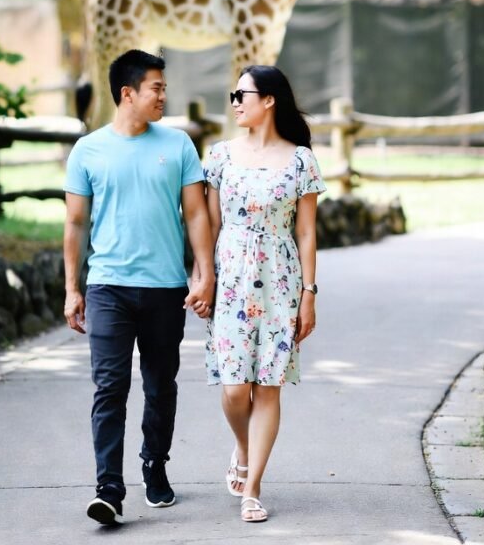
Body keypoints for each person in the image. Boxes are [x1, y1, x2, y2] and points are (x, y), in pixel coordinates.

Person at [63, 49, 214, 526]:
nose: (164, 96)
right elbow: (74, 223)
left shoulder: (180, 146)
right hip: (108, 286)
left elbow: (196, 213)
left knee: (160, 386)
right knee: (110, 387)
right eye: (156, 88)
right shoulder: (87, 150)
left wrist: (204, 272)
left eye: (164, 88)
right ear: (127, 93)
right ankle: (108, 486)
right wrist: (72, 288)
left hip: (166, 288)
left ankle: (154, 462)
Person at [204, 64, 325, 523]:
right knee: (236, 388)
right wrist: (204, 280)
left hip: (281, 281)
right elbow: (210, 227)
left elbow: (308, 233)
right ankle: (241, 444)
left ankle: (252, 487)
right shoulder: (219, 156)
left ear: (269, 100)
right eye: (232, 95)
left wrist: (309, 293)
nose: (235, 102)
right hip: (232, 276)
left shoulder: (301, 160)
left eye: (243, 94)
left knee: (268, 386)